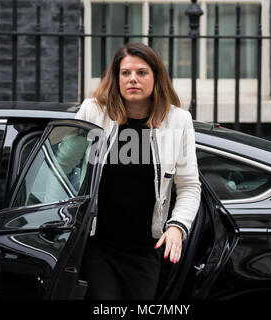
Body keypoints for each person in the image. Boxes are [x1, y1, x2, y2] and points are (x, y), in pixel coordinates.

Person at [74, 42, 201, 300]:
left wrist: (178, 227)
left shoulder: (178, 121)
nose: (133, 79)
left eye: (141, 72)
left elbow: (189, 186)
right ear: (116, 78)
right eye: (125, 73)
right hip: (97, 243)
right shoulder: (93, 112)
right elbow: (59, 165)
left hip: (145, 247)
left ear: (156, 77)